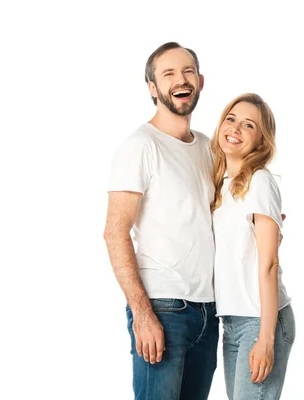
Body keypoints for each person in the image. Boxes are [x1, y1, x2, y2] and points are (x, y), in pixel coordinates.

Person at [103, 42, 218, 400]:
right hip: (164, 308)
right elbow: (114, 232)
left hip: (209, 310)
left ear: (199, 81)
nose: (179, 80)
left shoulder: (209, 148)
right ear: (153, 89)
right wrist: (143, 313)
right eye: (168, 74)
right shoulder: (141, 146)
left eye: (187, 72)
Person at [210, 93, 296, 400]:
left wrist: (266, 337)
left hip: (261, 320)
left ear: (261, 141)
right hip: (231, 321)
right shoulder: (221, 186)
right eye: (231, 119)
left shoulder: (260, 182)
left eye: (248, 125)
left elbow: (269, 264)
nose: (235, 128)